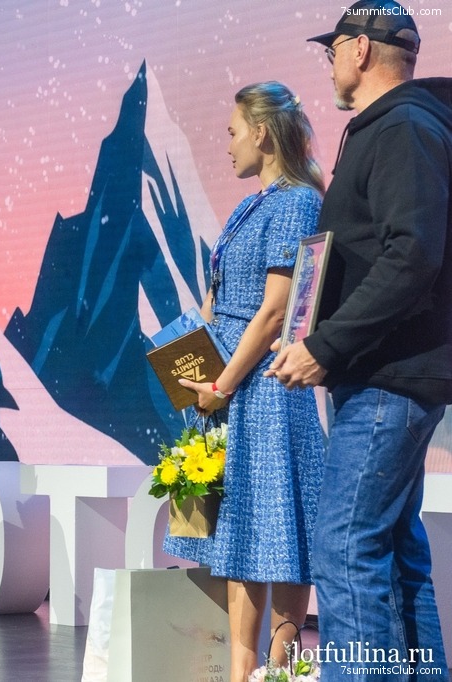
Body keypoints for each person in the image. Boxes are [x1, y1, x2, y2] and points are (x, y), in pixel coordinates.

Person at [268, 2, 452, 679]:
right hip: (382, 373)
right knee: (392, 551)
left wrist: (327, 344)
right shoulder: (399, 126)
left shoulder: (403, 128)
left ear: (360, 50)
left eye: (332, 51)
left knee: (345, 545)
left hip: (386, 377)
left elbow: (412, 256)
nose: (329, 66)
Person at [163, 82, 327, 682]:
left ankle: (280, 665)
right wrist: (191, 361)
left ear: (261, 133)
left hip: (265, 387)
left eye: (233, 132)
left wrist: (224, 383)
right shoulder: (248, 206)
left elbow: (276, 310)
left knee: (279, 526)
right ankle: (242, 670)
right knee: (237, 533)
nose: (227, 145)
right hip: (228, 383)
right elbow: (217, 300)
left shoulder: (298, 202)